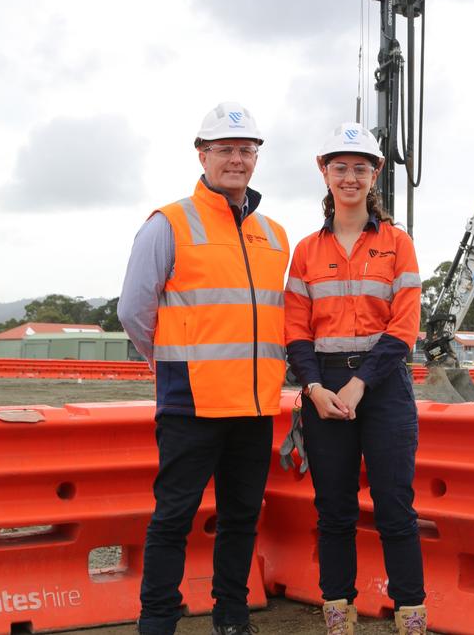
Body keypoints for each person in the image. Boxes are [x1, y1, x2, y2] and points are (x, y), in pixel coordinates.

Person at [118, 101, 289, 635]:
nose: (236, 160)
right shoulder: (168, 223)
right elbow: (133, 309)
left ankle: (232, 618)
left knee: (240, 520)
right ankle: (158, 622)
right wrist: (172, 359)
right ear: (202, 155)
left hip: (255, 407)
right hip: (190, 404)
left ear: (256, 158)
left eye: (246, 150)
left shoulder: (275, 236)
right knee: (173, 520)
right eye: (225, 150)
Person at [284, 122, 427, 635]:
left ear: (375, 176)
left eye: (359, 168)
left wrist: (361, 382)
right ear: (324, 173)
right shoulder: (305, 251)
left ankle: (410, 612)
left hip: (384, 387)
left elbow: (403, 328)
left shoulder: (397, 245)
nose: (349, 177)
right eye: (339, 167)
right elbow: (296, 331)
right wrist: (315, 388)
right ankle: (338, 612)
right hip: (323, 390)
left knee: (394, 506)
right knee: (335, 510)